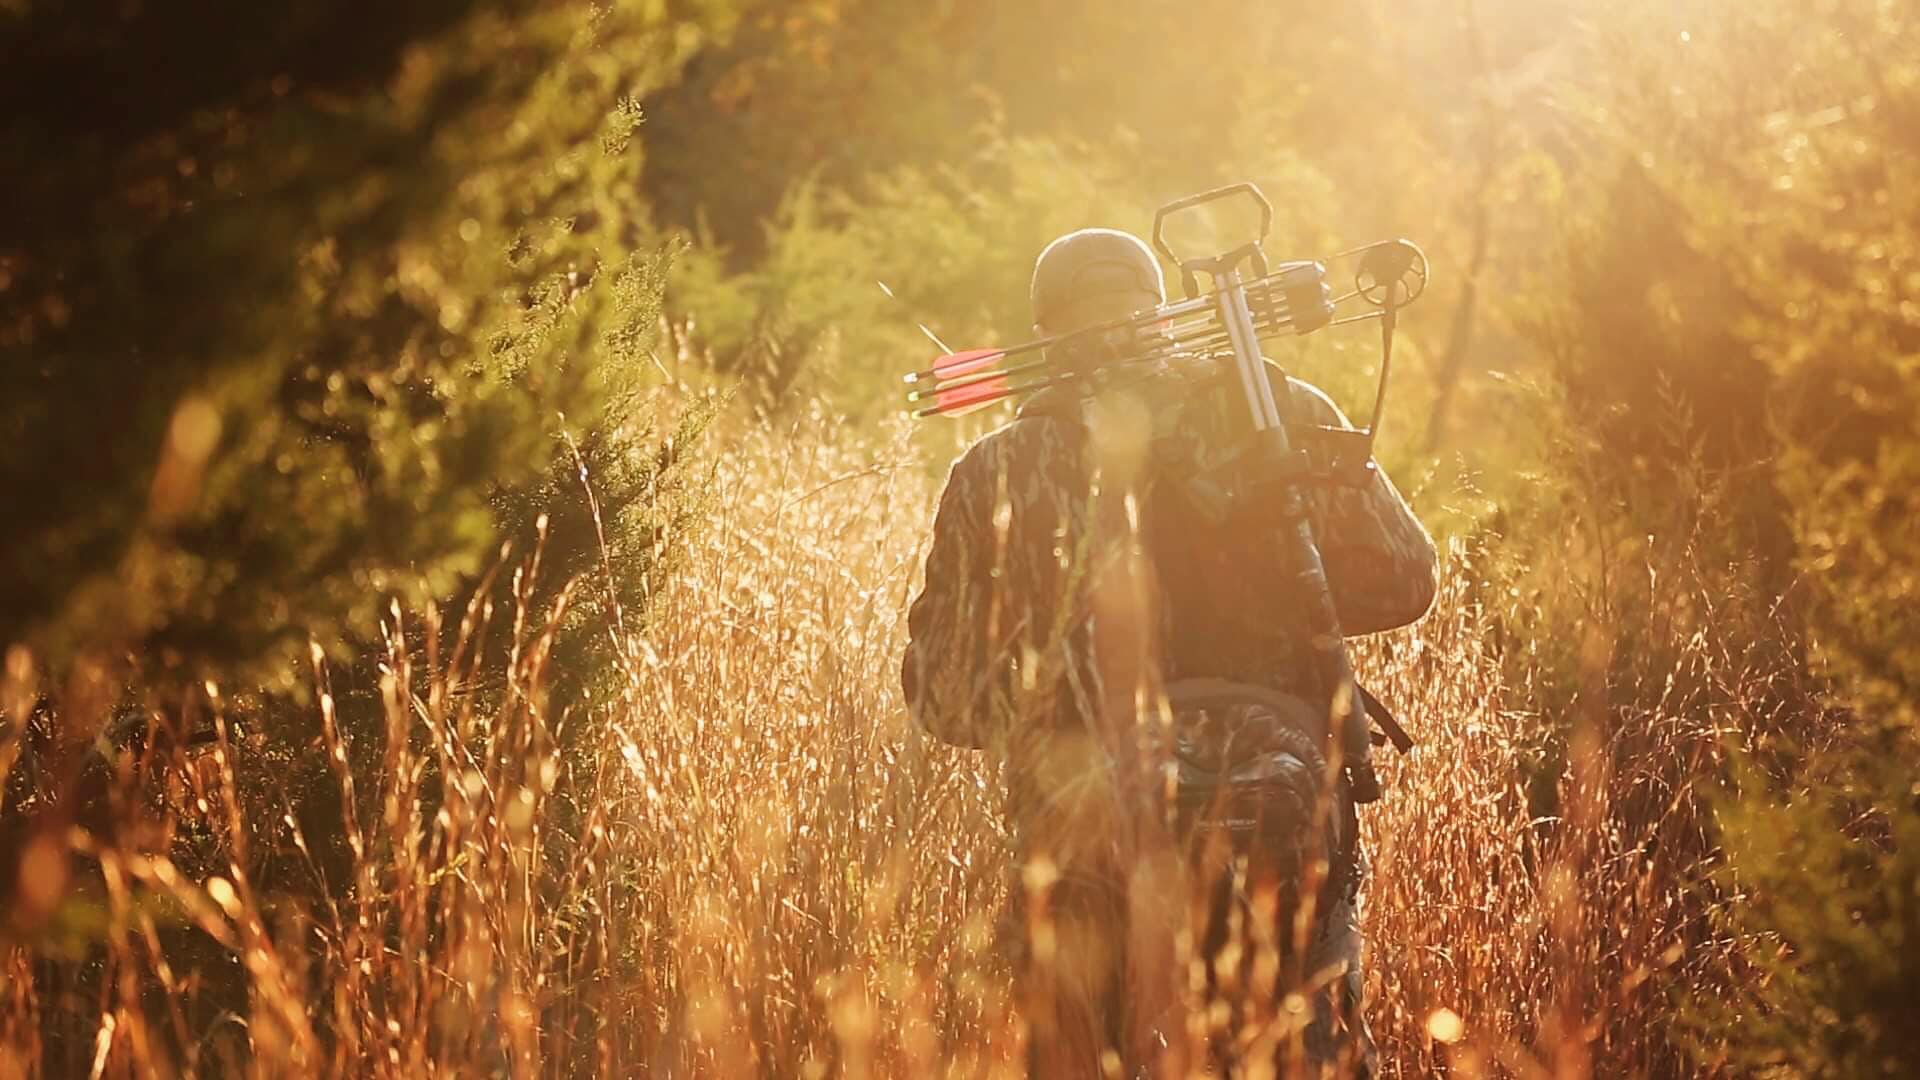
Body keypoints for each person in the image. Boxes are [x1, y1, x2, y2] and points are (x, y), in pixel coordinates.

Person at [902, 227, 1438, 1077]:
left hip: (1083, 820)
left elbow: (941, 696)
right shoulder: (1277, 408)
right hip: (1286, 796)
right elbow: (1407, 580)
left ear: (1047, 331)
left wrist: (1049, 691)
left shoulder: (996, 471)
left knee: (1076, 1054)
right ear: (1161, 309)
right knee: (1308, 1048)